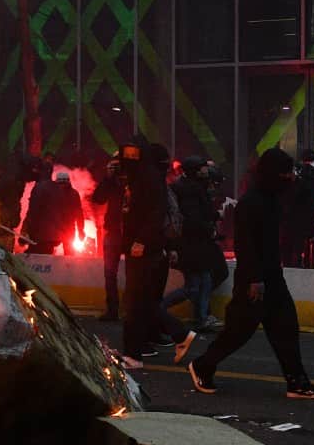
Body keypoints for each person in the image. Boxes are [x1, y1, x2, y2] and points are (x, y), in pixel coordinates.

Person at [186, 148, 314, 399]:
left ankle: (297, 381)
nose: (290, 177)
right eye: (285, 172)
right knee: (238, 332)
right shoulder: (252, 202)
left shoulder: (272, 197)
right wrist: (255, 279)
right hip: (255, 281)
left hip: (272, 277)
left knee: (286, 329)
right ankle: (202, 365)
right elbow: (246, 245)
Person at [119, 137, 196, 368]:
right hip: (146, 247)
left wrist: (140, 241)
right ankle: (144, 348)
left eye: (135, 155)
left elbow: (154, 214)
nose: (130, 159)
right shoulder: (144, 178)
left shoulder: (147, 179)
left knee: (136, 301)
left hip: (143, 248)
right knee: (140, 301)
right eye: (127, 155)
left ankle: (139, 352)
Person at [165, 156, 220, 332]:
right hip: (191, 244)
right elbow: (193, 219)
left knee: (205, 280)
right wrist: (212, 221)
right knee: (193, 286)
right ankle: (158, 309)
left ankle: (202, 317)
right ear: (196, 170)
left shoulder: (193, 187)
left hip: (196, 243)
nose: (207, 170)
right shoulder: (189, 190)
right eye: (203, 167)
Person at [91, 153, 125, 320]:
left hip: (132, 232)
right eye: (114, 165)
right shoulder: (111, 182)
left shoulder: (136, 180)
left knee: (135, 275)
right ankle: (112, 310)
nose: (118, 168)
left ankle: (133, 310)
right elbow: (97, 199)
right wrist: (108, 179)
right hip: (114, 231)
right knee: (109, 273)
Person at [22, 170, 85, 254]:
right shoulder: (74, 194)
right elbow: (79, 214)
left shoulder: (48, 192)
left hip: (49, 234)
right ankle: (68, 266)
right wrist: (81, 231)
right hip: (67, 233)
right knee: (69, 257)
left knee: (46, 255)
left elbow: (34, 213)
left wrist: (27, 230)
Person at [281, 150, 314, 268]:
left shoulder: (300, 185)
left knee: (295, 253)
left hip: (296, 224)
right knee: (289, 253)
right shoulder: (286, 186)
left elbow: (307, 207)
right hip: (289, 224)